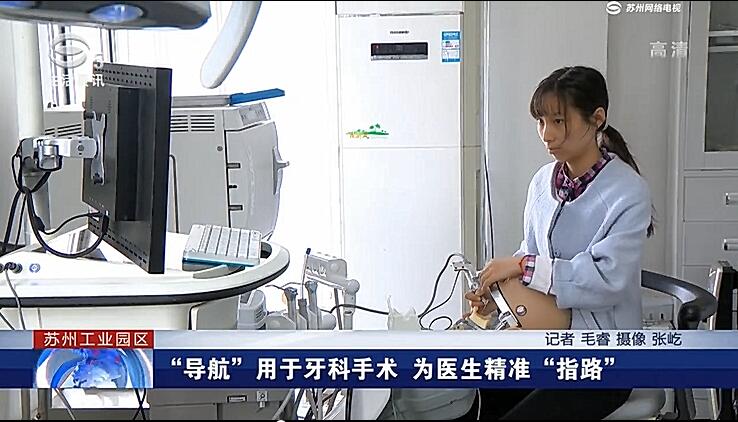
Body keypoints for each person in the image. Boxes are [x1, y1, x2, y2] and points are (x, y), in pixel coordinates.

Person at [463, 66, 654, 419]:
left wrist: (521, 266)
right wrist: (498, 297)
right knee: (471, 399)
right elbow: (531, 252)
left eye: (558, 121)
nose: (547, 134)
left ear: (597, 118)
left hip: (604, 356)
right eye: (540, 121)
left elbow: (606, 280)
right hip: (545, 340)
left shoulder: (628, 192)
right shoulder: (542, 182)